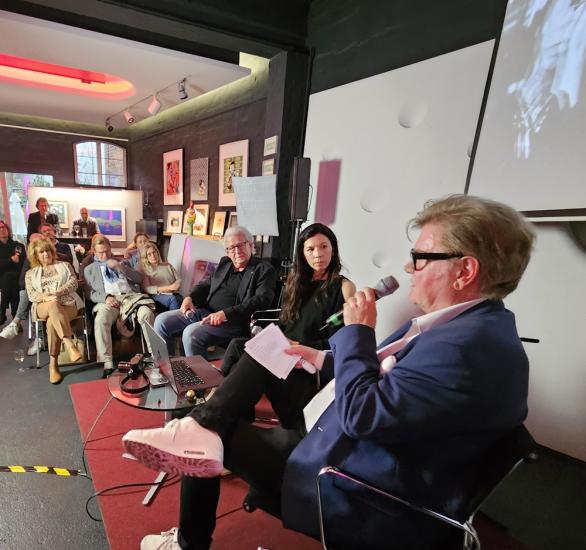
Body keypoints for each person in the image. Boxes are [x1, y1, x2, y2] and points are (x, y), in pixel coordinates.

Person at [123, 195, 535, 550]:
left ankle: (188, 528)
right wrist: (318, 356)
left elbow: (362, 414)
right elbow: (378, 377)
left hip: (349, 477)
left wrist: (356, 330)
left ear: (465, 271)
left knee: (212, 435)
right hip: (340, 429)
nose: (409, 268)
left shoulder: (463, 350)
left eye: (420, 257)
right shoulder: (469, 328)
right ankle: (200, 426)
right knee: (264, 351)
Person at [220, 222, 355, 385]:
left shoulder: (344, 287)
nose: (318, 254)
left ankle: (217, 399)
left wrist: (299, 345)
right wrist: (271, 336)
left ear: (333, 250)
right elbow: (285, 322)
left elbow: (339, 342)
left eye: (324, 247)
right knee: (237, 346)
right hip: (283, 350)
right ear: (303, 254)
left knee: (245, 369)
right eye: (310, 249)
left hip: (305, 358)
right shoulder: (296, 282)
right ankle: (219, 394)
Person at [153, 225, 276, 359]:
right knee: (161, 321)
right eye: (231, 248)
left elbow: (262, 300)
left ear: (250, 245)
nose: (237, 251)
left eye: (240, 245)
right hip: (206, 313)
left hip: (233, 322)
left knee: (191, 334)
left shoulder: (263, 268)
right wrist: (189, 298)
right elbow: (206, 284)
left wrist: (225, 314)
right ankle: (169, 368)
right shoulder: (225, 263)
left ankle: (197, 377)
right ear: (227, 252)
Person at [82, 235, 155, 376]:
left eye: (108, 251)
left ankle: (153, 355)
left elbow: (139, 279)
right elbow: (89, 292)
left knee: (146, 313)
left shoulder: (123, 263)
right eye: (101, 252)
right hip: (109, 300)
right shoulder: (89, 269)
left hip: (131, 297)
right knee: (101, 319)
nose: (105, 255)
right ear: (94, 252)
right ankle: (107, 362)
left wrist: (121, 267)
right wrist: (105, 297)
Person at [25, 238, 84, 384]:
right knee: (52, 305)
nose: (46, 254)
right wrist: (47, 298)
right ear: (36, 255)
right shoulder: (31, 273)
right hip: (42, 306)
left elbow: (73, 283)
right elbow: (32, 294)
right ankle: (69, 344)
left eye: (48, 250)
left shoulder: (65, 265)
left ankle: (53, 365)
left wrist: (57, 293)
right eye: (41, 252)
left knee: (52, 322)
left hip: (67, 304)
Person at [0, 233, 45, 355]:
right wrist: (33, 286)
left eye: (39, 243)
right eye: (33, 244)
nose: (36, 247)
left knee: (26, 293)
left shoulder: (56, 258)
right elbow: (22, 280)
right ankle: (39, 338)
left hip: (51, 292)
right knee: (30, 296)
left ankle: (15, 321)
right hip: (35, 293)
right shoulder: (30, 260)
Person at [140, 243, 183, 311]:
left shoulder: (168, 265)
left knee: (182, 298)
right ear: (146, 258)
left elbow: (179, 279)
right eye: (149, 254)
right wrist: (169, 288)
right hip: (157, 296)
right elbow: (148, 288)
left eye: (154, 252)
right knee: (173, 299)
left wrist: (177, 284)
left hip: (173, 293)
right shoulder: (145, 270)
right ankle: (175, 320)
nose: (153, 256)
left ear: (157, 253)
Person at [0, 220, 25, 325]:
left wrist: (16, 262)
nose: (2, 229)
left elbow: (24, 263)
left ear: (8, 230)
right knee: (8, 278)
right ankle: (15, 317)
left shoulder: (18, 245)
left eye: (3, 227)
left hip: (16, 277)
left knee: (10, 278)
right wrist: (11, 260)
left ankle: (2, 310)